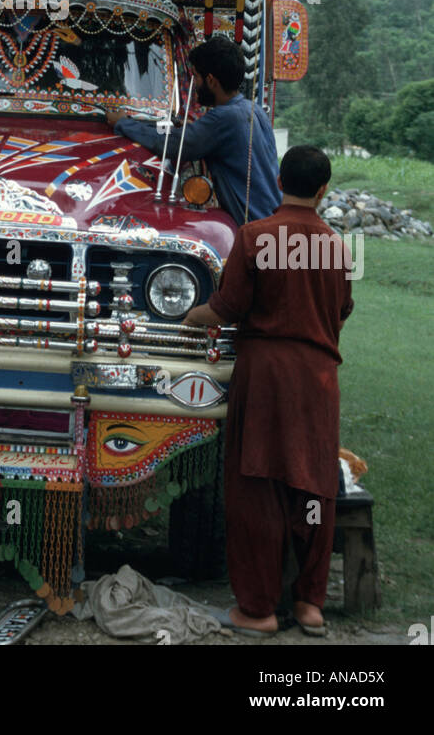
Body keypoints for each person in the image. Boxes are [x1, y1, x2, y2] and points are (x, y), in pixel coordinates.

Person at [184, 145, 354, 637]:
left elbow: (225, 309)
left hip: (264, 377)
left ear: (278, 182)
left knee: (257, 486)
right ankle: (309, 603)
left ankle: (257, 609)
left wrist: (187, 317)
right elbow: (342, 311)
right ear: (323, 191)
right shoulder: (338, 248)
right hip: (318, 380)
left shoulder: (255, 237)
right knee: (313, 485)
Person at [114, 34, 280, 225]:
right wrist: (154, 126)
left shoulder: (225, 118)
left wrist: (123, 122)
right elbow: (176, 134)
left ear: (211, 81)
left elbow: (172, 143)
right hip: (271, 225)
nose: (194, 87)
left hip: (254, 230)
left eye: (196, 77)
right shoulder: (253, 110)